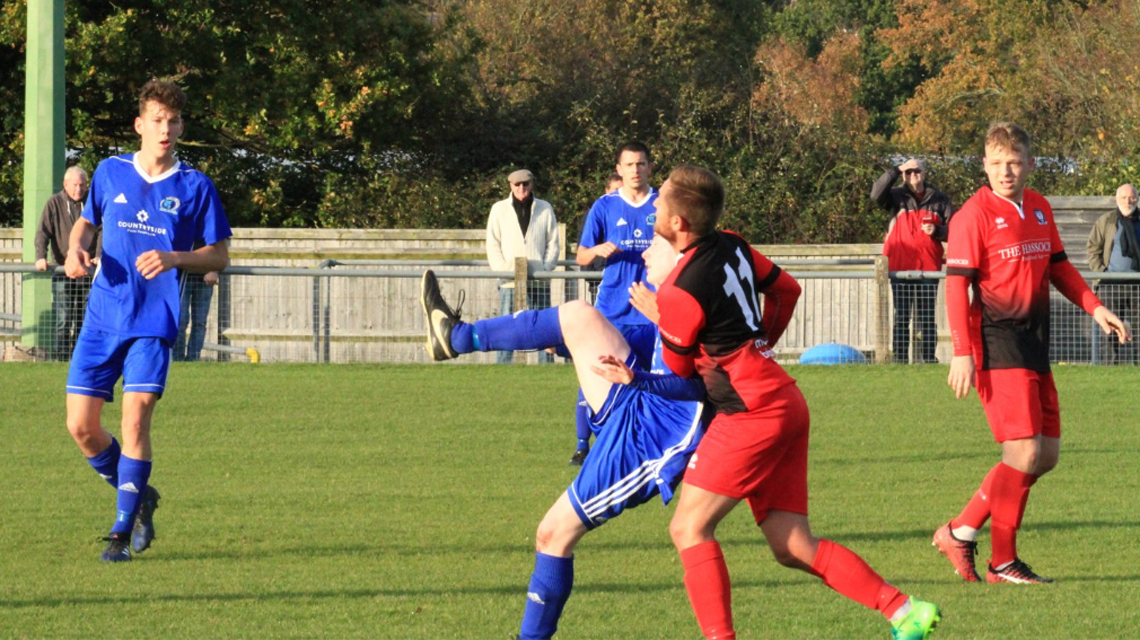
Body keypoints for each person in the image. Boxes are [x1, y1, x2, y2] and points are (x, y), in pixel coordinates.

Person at [652, 164, 940, 640]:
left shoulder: (678, 291)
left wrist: (664, 318)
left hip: (750, 413)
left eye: (660, 203)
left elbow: (681, 372)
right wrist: (762, 342)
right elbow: (786, 289)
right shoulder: (732, 242)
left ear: (679, 223)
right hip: (784, 399)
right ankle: (904, 609)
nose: (654, 209)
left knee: (689, 529)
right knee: (791, 544)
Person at [421, 234, 709, 640]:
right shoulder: (677, 296)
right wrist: (578, 343)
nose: (644, 251)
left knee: (553, 534)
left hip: (649, 441)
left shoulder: (694, 303)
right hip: (639, 406)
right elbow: (656, 347)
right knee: (578, 316)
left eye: (656, 242)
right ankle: (455, 337)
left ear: (680, 250)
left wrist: (639, 372)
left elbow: (702, 388)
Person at [936, 123, 1130, 585]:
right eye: (998, 163)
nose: (1007, 171)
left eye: (1015, 161)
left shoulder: (1040, 207)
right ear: (984, 164)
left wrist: (1096, 306)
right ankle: (1003, 560)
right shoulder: (971, 216)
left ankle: (959, 531)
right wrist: (961, 352)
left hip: (1036, 344)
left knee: (1045, 455)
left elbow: (1060, 268)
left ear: (1030, 163)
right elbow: (956, 286)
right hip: (997, 343)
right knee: (1023, 452)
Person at [63, 79, 233, 563]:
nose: (166, 129)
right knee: (80, 427)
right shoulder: (110, 172)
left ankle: (121, 531)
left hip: (153, 322)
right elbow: (87, 221)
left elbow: (218, 254)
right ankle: (139, 493)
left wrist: (176, 257)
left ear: (181, 126)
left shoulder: (195, 186)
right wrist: (76, 247)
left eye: (174, 121)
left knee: (135, 418)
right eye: (157, 120)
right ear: (140, 124)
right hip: (101, 318)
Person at [569, 142, 656, 465]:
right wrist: (597, 251)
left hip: (652, 312)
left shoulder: (664, 205)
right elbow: (581, 257)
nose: (635, 170)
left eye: (641, 164)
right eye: (629, 164)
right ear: (618, 170)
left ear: (649, 168)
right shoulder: (604, 206)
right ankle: (583, 445)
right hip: (612, 310)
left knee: (650, 380)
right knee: (597, 373)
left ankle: (646, 444)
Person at [871, 158, 954, 363]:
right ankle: (900, 359)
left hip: (928, 268)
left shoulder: (940, 199)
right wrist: (896, 169)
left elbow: (956, 229)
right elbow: (875, 194)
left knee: (927, 317)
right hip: (900, 267)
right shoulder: (895, 197)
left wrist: (938, 231)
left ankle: (928, 359)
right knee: (902, 318)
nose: (912, 175)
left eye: (916, 171)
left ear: (924, 173)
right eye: (908, 172)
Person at [486, 168, 561, 364]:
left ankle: (546, 365)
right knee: (507, 324)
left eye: (525, 184)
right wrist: (503, 269)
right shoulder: (498, 209)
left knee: (543, 324)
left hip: (539, 278)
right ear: (510, 186)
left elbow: (553, 242)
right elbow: (492, 243)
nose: (521, 188)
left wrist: (545, 268)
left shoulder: (545, 208)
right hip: (509, 280)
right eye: (517, 184)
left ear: (531, 185)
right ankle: (503, 366)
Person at [34, 165, 99, 361]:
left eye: (82, 185)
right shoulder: (54, 203)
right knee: (64, 317)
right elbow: (42, 232)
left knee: (84, 318)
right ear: (65, 185)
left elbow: (103, 230)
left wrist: (98, 255)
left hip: (88, 270)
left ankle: (79, 358)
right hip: (62, 270)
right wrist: (40, 256)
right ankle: (60, 359)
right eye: (74, 185)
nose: (78, 189)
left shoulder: (92, 204)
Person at [1085, 183, 1140, 364]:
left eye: (1131, 197)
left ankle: (1137, 364)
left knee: (1139, 329)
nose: (1128, 201)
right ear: (1117, 199)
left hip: (1137, 284)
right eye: (1123, 197)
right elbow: (1093, 247)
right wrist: (1101, 273)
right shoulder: (1107, 221)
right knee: (1109, 327)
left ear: (1137, 199)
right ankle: (1110, 365)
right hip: (1111, 284)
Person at [173, 240, 219, 362]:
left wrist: (215, 270)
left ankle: (193, 359)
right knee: (180, 320)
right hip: (182, 277)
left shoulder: (210, 225)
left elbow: (219, 251)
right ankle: (177, 359)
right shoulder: (181, 224)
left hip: (204, 280)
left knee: (199, 322)